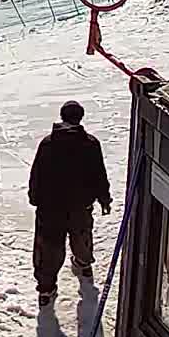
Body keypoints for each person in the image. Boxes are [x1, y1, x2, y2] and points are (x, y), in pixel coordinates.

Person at [27, 100, 113, 304]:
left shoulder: (48, 143)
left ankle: (46, 290)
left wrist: (34, 197)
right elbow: (99, 174)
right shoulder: (90, 143)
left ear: (62, 116)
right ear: (80, 117)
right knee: (81, 236)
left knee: (48, 247)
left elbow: (37, 173)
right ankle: (83, 265)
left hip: (50, 207)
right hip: (80, 205)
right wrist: (104, 198)